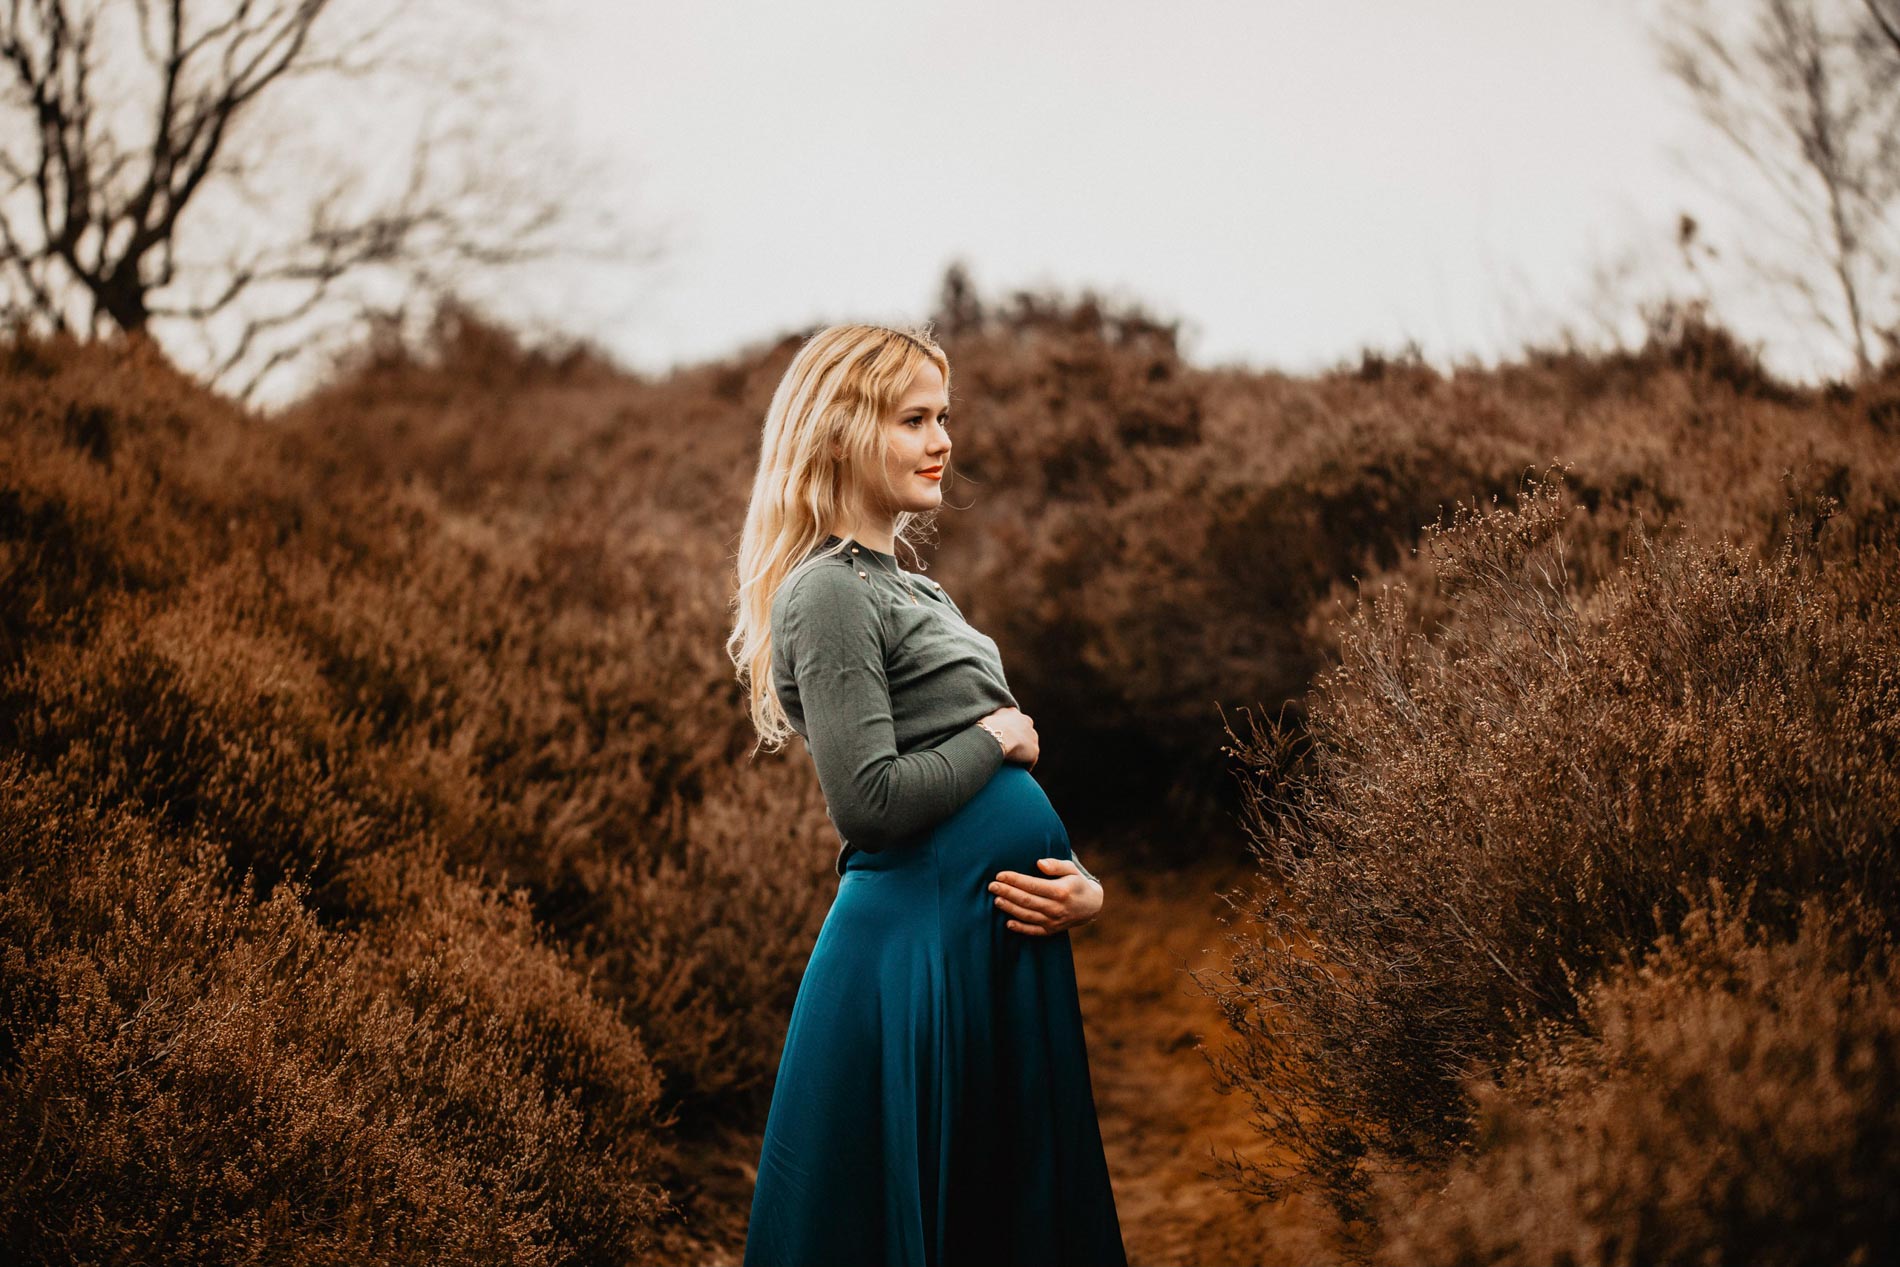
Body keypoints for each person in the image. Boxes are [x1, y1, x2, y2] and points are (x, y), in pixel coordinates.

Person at [726, 323, 1128, 1266]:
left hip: (986, 949)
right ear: (837, 433)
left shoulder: (919, 590)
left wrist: (1085, 887)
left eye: (943, 416)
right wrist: (995, 738)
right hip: (912, 962)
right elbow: (869, 801)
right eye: (914, 419)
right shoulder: (827, 593)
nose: (943, 439)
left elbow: (981, 790)